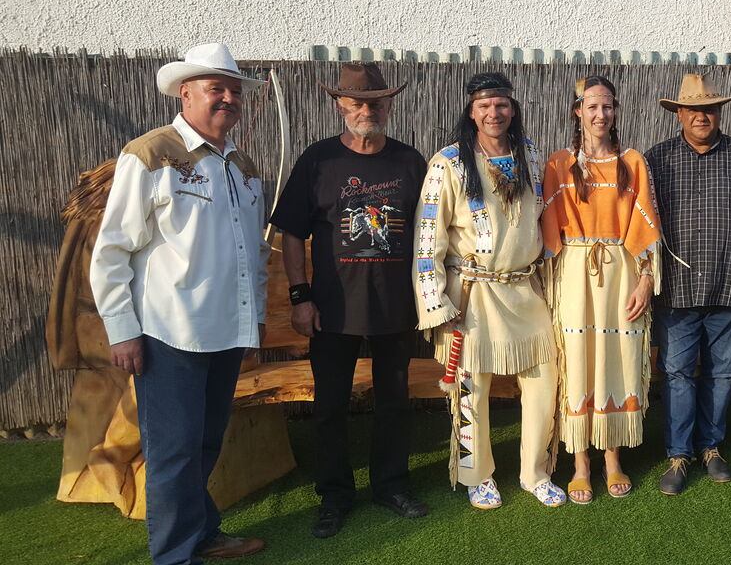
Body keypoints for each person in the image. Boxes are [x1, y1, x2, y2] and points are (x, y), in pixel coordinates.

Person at [90, 43, 270, 564]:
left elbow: (254, 252)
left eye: (235, 90)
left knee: (206, 443)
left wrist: (255, 319)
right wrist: (122, 329)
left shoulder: (242, 165)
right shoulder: (150, 154)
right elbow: (113, 250)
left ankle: (202, 534)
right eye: (216, 89)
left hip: (227, 330)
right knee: (173, 451)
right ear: (185, 93)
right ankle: (175, 555)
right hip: (169, 333)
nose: (228, 98)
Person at [268, 63, 429, 537]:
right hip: (332, 310)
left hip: (395, 307)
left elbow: (430, 230)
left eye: (376, 102)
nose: (367, 111)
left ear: (389, 105)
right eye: (357, 102)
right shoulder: (318, 161)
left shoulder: (409, 162)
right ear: (340, 105)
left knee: (394, 402)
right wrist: (300, 297)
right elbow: (292, 232)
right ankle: (335, 496)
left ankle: (390, 486)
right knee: (330, 406)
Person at [413, 72, 565, 509]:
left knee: (544, 379)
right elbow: (427, 237)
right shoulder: (448, 163)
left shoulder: (529, 155)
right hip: (471, 293)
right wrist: (438, 303)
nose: (493, 113)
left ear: (512, 109)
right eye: (484, 105)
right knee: (470, 390)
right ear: (471, 112)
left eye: (501, 104)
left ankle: (536, 473)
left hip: (524, 288)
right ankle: (477, 475)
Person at [645, 74, 731, 496]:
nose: (701, 117)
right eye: (693, 110)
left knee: (722, 374)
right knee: (676, 373)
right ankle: (678, 453)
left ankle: (711, 447)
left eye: (709, 109)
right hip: (677, 291)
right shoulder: (656, 160)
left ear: (719, 112)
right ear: (679, 114)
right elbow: (640, 222)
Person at [540, 75, 662, 504]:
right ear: (578, 111)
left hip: (622, 271)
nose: (600, 114)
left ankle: (612, 458)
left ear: (615, 111)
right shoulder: (558, 164)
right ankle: (580, 464)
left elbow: (647, 229)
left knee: (617, 356)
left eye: (607, 106)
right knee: (576, 358)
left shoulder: (633, 162)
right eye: (591, 106)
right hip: (574, 271)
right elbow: (546, 233)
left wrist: (646, 280)